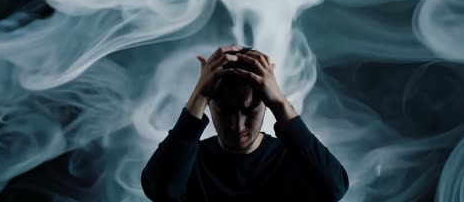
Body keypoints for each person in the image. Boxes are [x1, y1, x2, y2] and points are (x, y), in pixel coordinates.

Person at [141, 45, 349, 202]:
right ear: (209, 105)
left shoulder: (292, 159)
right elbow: (158, 191)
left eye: (250, 111)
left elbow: (334, 189)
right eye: (225, 111)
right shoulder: (188, 161)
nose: (237, 126)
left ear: (266, 104)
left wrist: (280, 103)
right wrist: (199, 95)